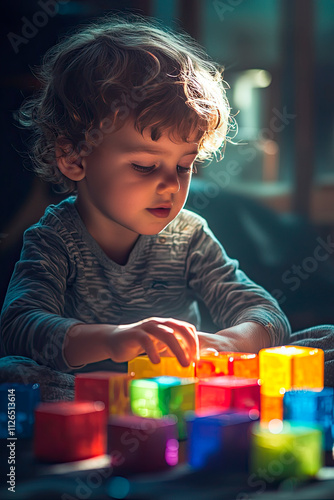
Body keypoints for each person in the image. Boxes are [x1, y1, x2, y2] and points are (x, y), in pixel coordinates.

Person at [0, 15, 291, 374]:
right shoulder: (54, 240)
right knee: (13, 372)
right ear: (74, 157)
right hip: (84, 397)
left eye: (183, 167)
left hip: (174, 393)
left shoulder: (188, 236)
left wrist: (223, 342)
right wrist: (113, 339)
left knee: (325, 337)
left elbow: (268, 316)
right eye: (144, 166)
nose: (171, 186)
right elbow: (18, 327)